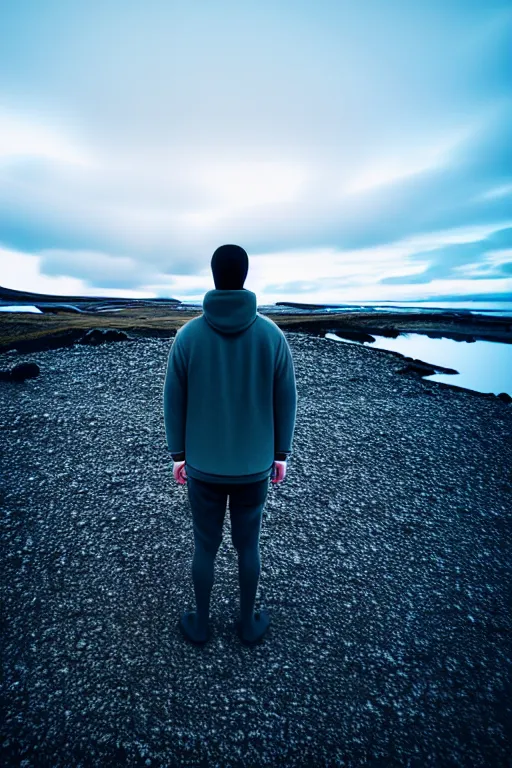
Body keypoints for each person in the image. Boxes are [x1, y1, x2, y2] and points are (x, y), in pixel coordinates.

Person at [163, 244, 297, 647]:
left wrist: (178, 456)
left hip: (202, 465)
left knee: (205, 545)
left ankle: (201, 624)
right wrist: (280, 455)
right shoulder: (272, 336)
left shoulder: (187, 336)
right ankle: (247, 624)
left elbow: (173, 399)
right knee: (247, 544)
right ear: (245, 274)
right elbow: (286, 398)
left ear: (214, 275)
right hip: (255, 466)